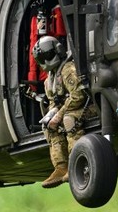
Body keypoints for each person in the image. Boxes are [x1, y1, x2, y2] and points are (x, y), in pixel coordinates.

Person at [32, 35, 95, 189]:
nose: (46, 61)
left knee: (68, 120)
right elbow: (53, 100)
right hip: (70, 108)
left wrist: (59, 115)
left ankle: (76, 162)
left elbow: (78, 95)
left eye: (47, 56)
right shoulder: (50, 79)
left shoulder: (68, 70)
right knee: (48, 125)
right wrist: (51, 115)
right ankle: (60, 167)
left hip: (88, 107)